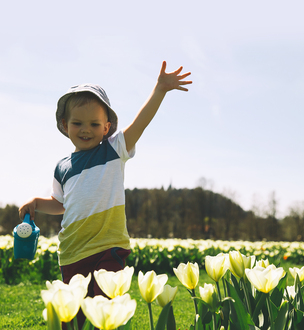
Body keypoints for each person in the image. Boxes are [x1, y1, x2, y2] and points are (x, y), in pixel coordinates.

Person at [19, 61, 191, 326]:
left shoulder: (113, 151)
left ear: (107, 127)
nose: (85, 129)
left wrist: (160, 89)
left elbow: (140, 124)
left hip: (107, 247)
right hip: (72, 252)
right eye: (77, 123)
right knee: (74, 319)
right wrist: (36, 203)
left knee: (106, 312)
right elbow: (60, 203)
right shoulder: (62, 167)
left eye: (94, 123)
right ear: (65, 125)